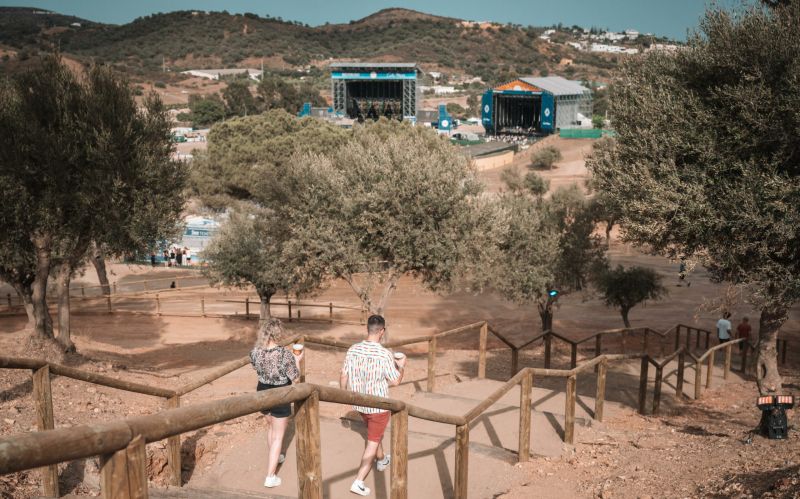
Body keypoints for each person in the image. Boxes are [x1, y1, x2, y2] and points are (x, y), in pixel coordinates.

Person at [340, 315, 405, 497]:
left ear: (367, 329)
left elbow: (344, 375)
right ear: (382, 331)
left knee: (374, 434)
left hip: (360, 403)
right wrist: (401, 366)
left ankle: (382, 459)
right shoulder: (384, 354)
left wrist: (344, 395)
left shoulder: (353, 349)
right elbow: (396, 381)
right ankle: (358, 481)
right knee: (372, 442)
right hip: (379, 407)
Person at [250, 318, 302, 488]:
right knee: (279, 436)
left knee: (271, 428)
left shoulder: (255, 352)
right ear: (278, 333)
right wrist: (297, 361)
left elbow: (256, 368)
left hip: (262, 392)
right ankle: (270, 476)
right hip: (280, 394)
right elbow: (295, 378)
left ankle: (276, 456)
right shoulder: (285, 354)